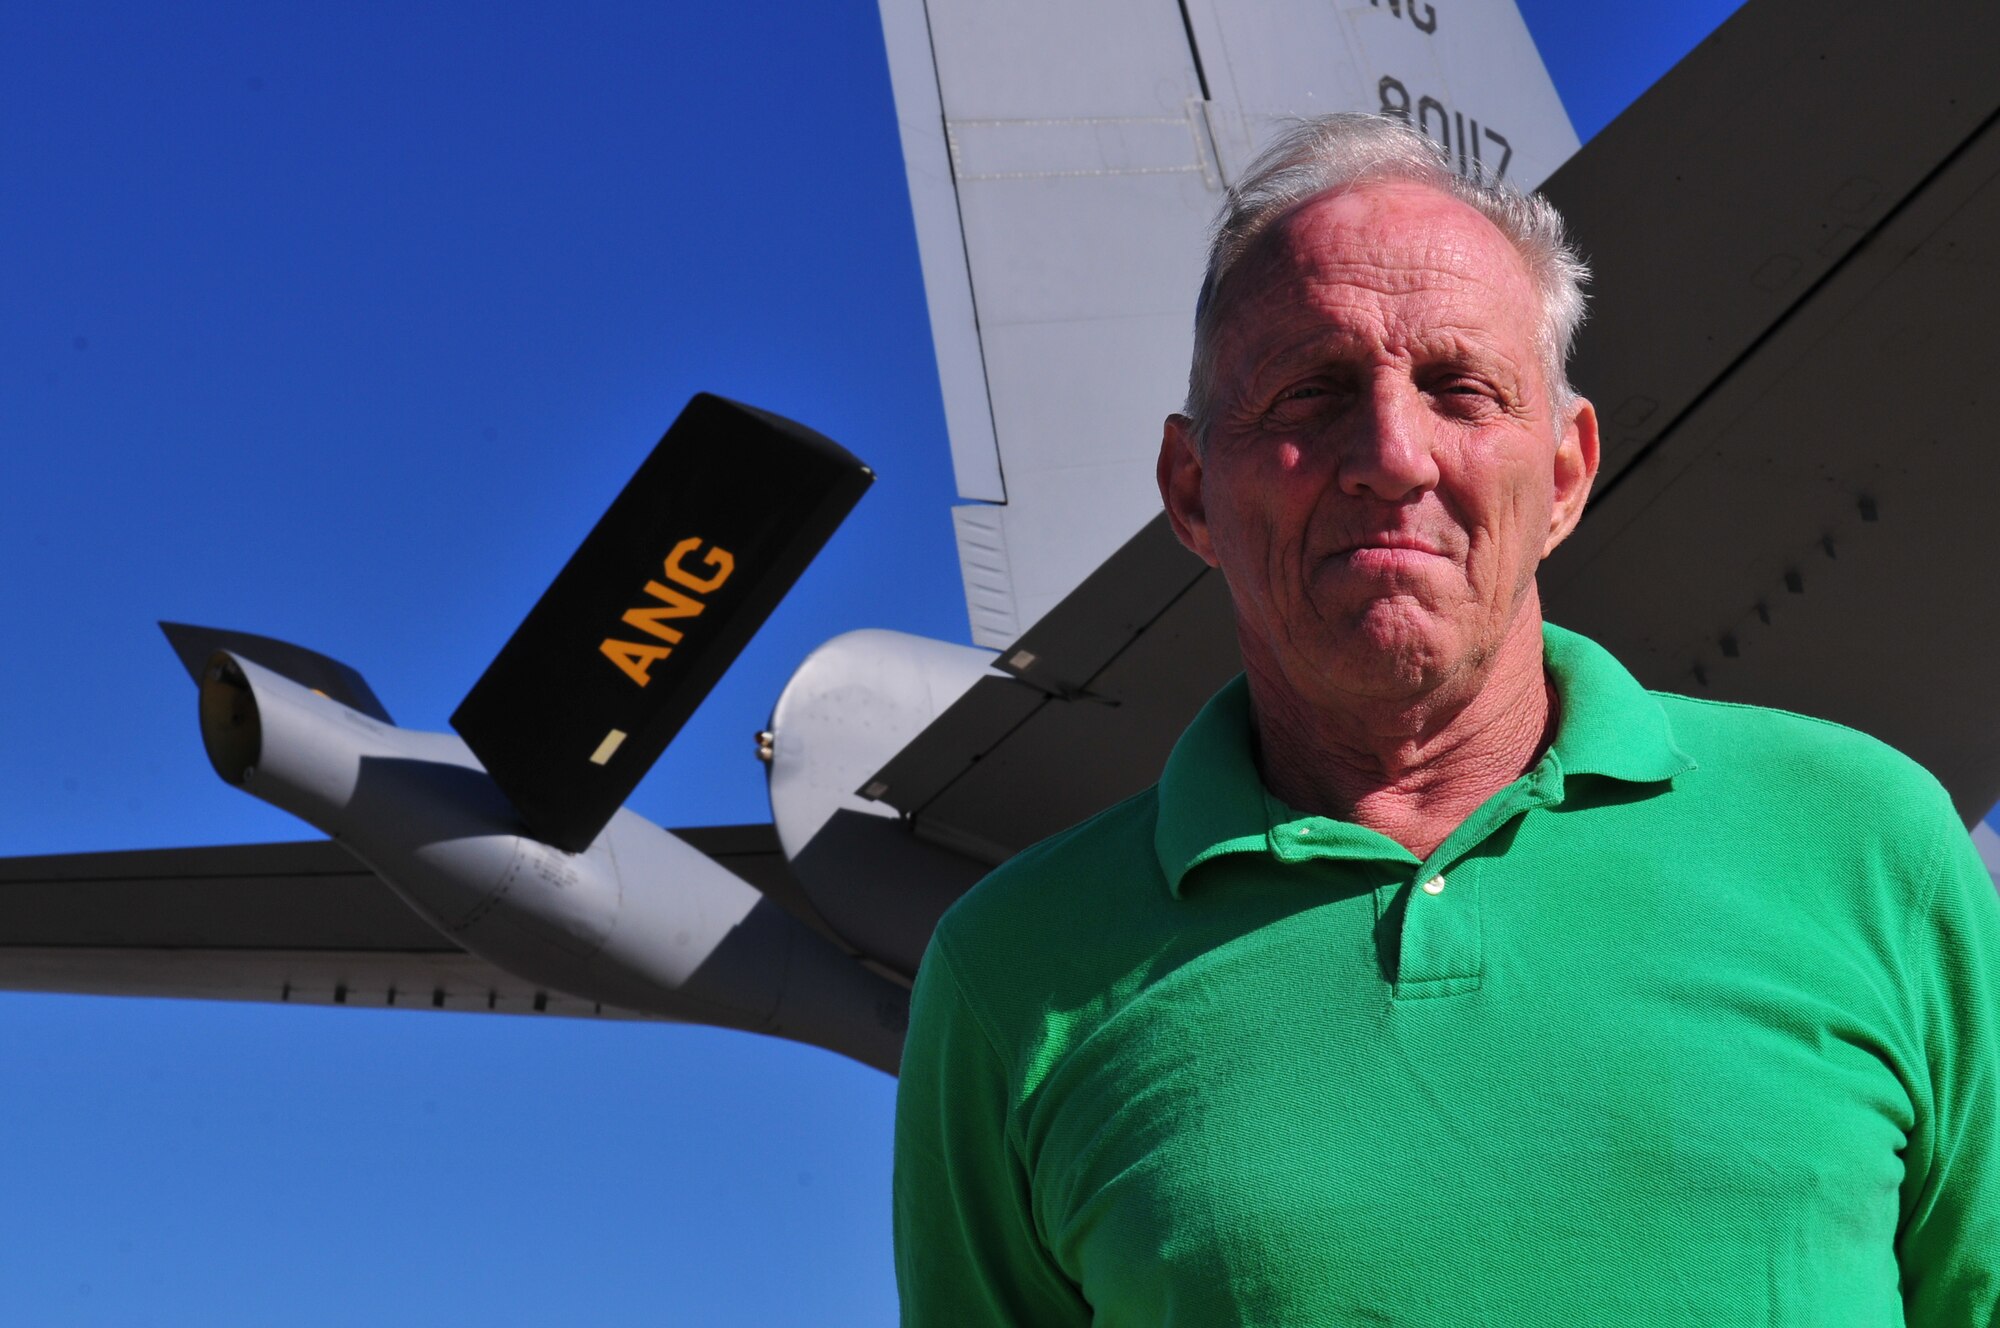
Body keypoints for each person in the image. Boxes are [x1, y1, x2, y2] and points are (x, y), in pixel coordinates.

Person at [893, 113, 1999, 1323]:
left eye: (1457, 388)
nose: (1389, 452)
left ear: (1566, 475)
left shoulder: (1868, 844)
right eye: (1307, 392)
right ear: (1188, 489)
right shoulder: (1009, 977)